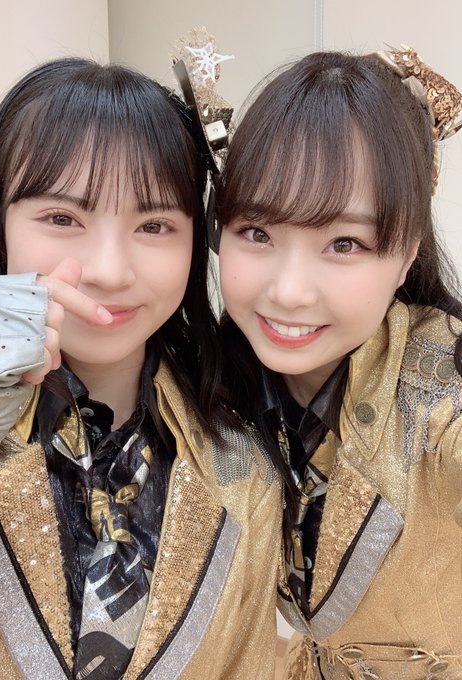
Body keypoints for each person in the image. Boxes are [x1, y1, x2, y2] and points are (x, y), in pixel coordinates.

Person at [0, 57, 283, 680]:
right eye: (62, 218)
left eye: (154, 225)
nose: (108, 270)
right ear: (0, 219)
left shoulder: (241, 460)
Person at [217, 46, 462, 678]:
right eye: (257, 233)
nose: (289, 291)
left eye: (344, 243)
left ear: (407, 254)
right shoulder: (217, 382)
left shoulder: (442, 390)